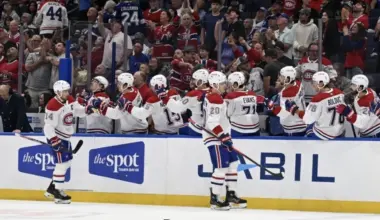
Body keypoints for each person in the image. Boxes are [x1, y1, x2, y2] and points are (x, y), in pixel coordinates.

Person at [203, 71, 246, 210]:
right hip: (215, 138)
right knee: (221, 168)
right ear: (215, 84)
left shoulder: (215, 96)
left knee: (233, 165)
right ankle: (215, 199)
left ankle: (231, 195)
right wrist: (222, 136)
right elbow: (212, 122)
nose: (225, 86)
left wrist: (225, 136)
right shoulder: (215, 98)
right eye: (222, 84)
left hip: (223, 136)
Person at [43, 80, 91, 204]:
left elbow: (79, 111)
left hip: (66, 137)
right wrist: (54, 141)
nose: (67, 93)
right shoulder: (52, 105)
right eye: (64, 91)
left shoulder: (69, 99)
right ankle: (58, 192)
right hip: (57, 138)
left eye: (67, 91)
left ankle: (52, 188)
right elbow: (48, 127)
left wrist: (88, 109)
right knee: (62, 164)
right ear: (58, 92)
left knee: (67, 162)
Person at [283, 71, 345, 140]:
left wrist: (294, 110)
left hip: (324, 135)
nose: (312, 85)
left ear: (321, 83)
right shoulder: (339, 93)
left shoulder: (318, 99)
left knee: (309, 128)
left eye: (314, 82)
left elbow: (307, 119)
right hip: (339, 133)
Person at [118, 74, 184, 134]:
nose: (150, 88)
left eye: (151, 86)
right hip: (177, 132)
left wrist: (128, 106)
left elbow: (141, 114)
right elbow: (183, 110)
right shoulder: (174, 92)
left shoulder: (153, 100)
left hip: (161, 134)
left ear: (156, 86)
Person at [167, 69, 210, 136]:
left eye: (194, 79)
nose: (192, 82)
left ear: (201, 81)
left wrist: (164, 97)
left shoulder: (194, 94)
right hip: (210, 130)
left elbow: (176, 108)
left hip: (196, 130)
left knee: (180, 129)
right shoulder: (214, 92)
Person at [267, 66, 307, 136]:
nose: (279, 78)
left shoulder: (287, 94)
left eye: (281, 76)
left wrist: (272, 107)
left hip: (293, 127)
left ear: (288, 78)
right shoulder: (298, 83)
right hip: (300, 123)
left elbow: (284, 115)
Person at [225, 72, 262, 137]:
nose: (228, 86)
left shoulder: (231, 96)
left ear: (235, 84)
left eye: (230, 84)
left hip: (238, 129)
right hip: (255, 128)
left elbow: (227, 113)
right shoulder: (252, 94)